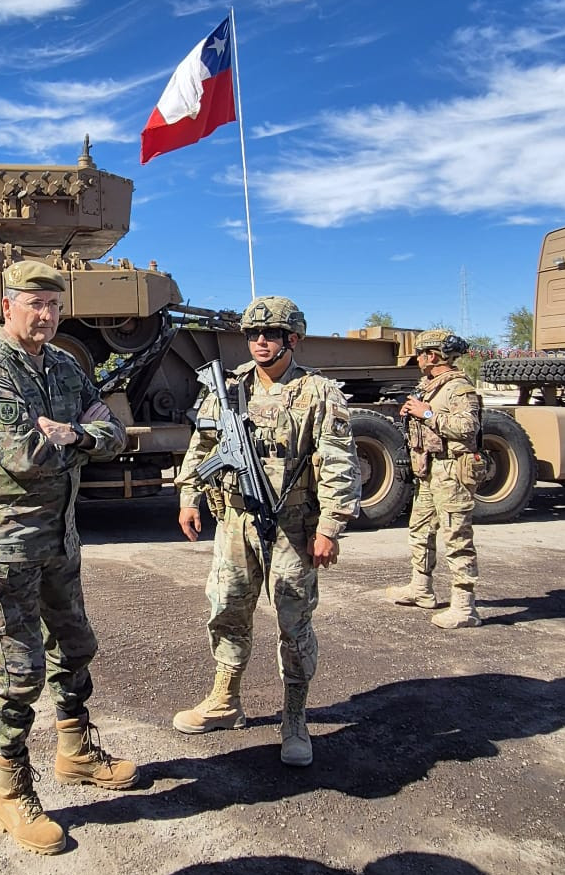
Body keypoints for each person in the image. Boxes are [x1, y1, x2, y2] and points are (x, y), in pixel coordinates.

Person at [0, 260, 137, 855]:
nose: (46, 314)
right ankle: (11, 792)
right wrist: (72, 438)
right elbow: (23, 454)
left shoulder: (64, 366)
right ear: (6, 305)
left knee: (75, 646)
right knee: (18, 671)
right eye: (34, 303)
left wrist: (76, 434)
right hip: (8, 543)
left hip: (59, 536)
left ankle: (76, 751)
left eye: (54, 305)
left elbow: (112, 430)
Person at [172, 296, 360, 767]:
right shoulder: (227, 387)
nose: (260, 341)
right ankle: (225, 701)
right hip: (235, 521)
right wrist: (188, 496)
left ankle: (294, 718)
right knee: (227, 610)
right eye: (254, 334)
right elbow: (203, 443)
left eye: (271, 334)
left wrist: (331, 527)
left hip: (293, 527)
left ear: (292, 338)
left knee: (294, 625)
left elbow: (339, 461)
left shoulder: (318, 392)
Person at [386, 329, 485, 629]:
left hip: (452, 470)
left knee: (456, 538)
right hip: (429, 470)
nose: (417, 358)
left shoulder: (458, 388)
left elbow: (469, 427)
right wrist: (413, 413)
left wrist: (428, 414)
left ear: (432, 356)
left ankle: (465, 606)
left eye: (420, 353)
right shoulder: (431, 386)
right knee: (420, 529)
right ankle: (421, 588)